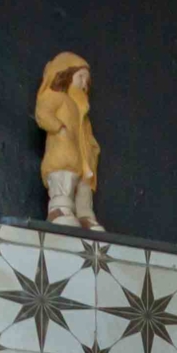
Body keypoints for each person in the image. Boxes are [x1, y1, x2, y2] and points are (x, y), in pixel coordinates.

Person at [36, 53, 102, 230]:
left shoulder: (81, 111)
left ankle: (85, 216)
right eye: (80, 77)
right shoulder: (57, 97)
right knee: (64, 177)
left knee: (83, 187)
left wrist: (91, 149)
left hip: (82, 159)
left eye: (87, 81)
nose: (84, 84)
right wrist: (59, 127)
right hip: (63, 153)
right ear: (67, 74)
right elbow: (43, 113)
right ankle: (59, 210)